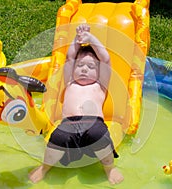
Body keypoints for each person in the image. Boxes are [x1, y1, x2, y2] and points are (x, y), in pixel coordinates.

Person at [29, 24, 124, 185]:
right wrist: (78, 38)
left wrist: (91, 39)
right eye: (80, 66)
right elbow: (70, 57)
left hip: (93, 122)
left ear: (99, 70)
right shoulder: (70, 83)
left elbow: (106, 59)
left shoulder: (100, 85)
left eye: (91, 66)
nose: (84, 70)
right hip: (68, 124)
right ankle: (44, 168)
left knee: (99, 136)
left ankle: (109, 169)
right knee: (57, 139)